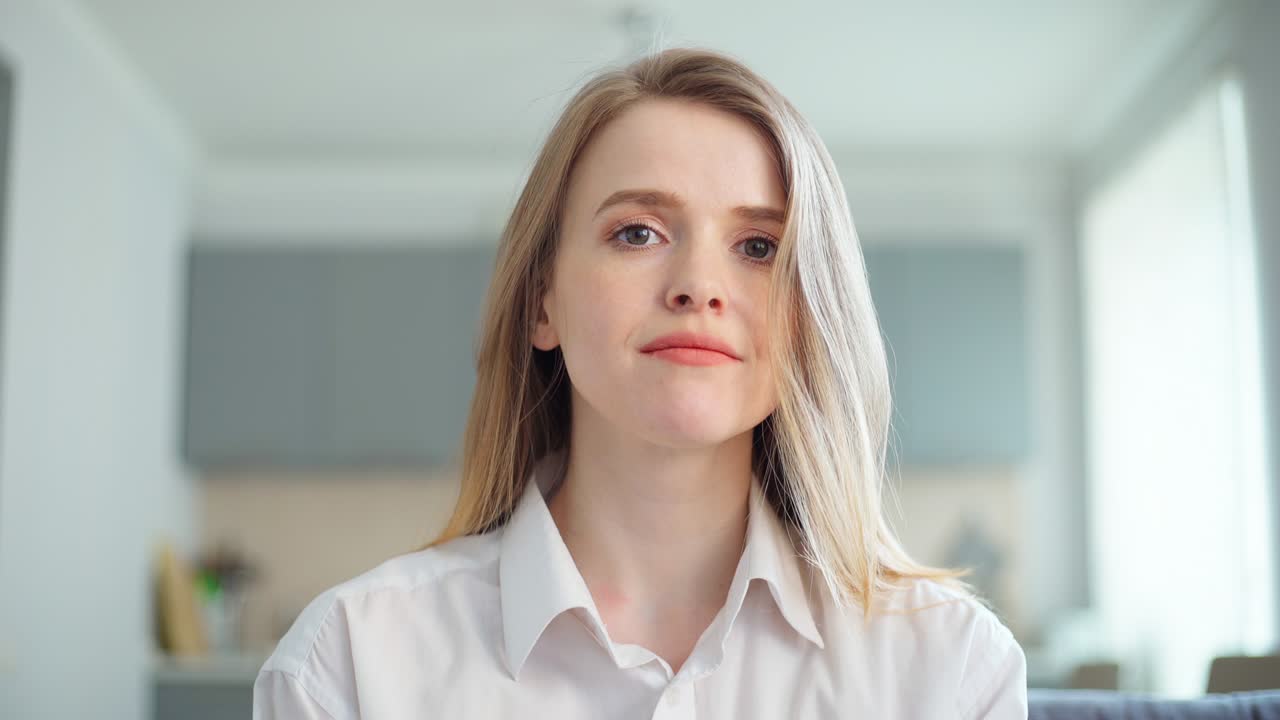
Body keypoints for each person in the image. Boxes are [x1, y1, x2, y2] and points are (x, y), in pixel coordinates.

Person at [253, 46, 1027, 719]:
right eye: (637, 233)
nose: (699, 286)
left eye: (759, 246)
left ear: (809, 314)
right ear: (542, 302)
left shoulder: (951, 668)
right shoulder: (348, 666)